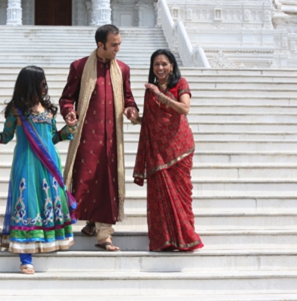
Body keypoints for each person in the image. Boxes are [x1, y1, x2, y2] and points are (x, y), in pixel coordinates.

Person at [0, 66, 77, 274]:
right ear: (30, 84)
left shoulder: (49, 110)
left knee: (49, 201)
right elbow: (6, 137)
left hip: (49, 163)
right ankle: (25, 257)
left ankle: (48, 242)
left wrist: (69, 127)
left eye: (44, 82)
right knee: (26, 203)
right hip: (26, 163)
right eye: (40, 82)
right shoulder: (16, 110)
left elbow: (53, 138)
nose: (44, 86)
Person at [59, 24, 139, 251]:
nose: (118, 48)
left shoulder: (122, 69)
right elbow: (66, 98)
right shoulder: (80, 66)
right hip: (86, 137)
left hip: (113, 138)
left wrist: (131, 110)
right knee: (85, 181)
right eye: (114, 44)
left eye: (120, 43)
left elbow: (128, 97)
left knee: (108, 184)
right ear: (100, 44)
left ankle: (105, 235)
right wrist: (69, 113)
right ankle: (91, 222)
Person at [133, 49, 204, 252]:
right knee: (159, 196)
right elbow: (151, 121)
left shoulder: (180, 83)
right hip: (158, 152)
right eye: (156, 64)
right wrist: (134, 117)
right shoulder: (151, 90)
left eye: (164, 64)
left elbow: (184, 108)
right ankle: (164, 240)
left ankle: (186, 238)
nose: (160, 68)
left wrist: (160, 95)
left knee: (181, 195)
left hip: (179, 148)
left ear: (172, 65)